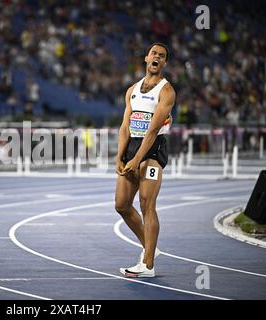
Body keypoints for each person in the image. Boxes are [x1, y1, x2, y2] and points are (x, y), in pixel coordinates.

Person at [115, 43, 176, 278]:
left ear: (164, 63)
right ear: (146, 58)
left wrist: (138, 159)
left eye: (162, 56)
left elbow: (152, 130)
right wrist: (120, 156)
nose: (157, 57)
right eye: (154, 54)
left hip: (152, 151)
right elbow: (125, 126)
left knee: (146, 204)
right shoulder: (132, 90)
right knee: (121, 204)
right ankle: (150, 248)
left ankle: (148, 264)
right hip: (132, 148)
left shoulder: (166, 90)